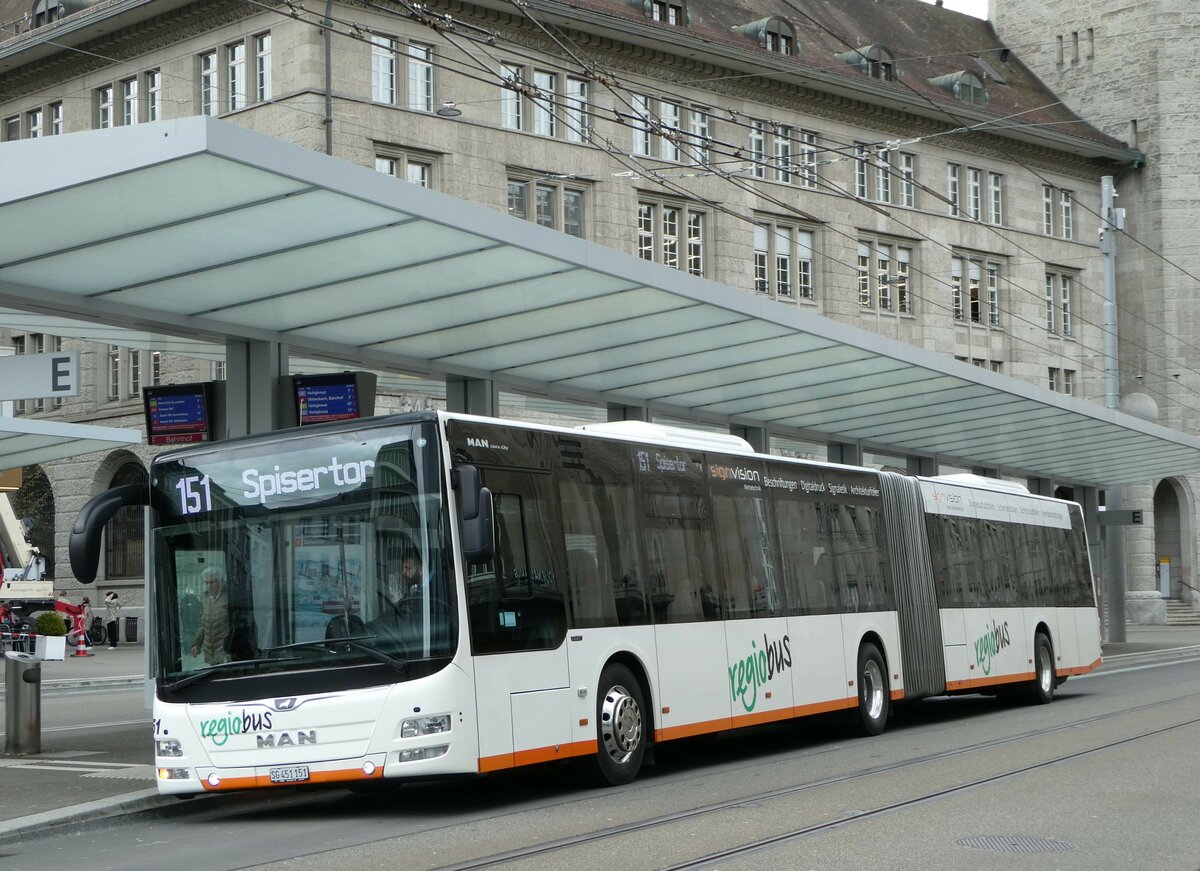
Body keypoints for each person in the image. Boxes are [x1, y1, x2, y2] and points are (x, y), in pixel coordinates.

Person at [190, 566, 230, 665]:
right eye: (206, 583)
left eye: (212, 582)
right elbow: (203, 625)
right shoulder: (205, 599)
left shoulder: (229, 598)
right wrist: (196, 644)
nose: (209, 586)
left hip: (225, 653)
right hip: (210, 653)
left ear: (220, 581)